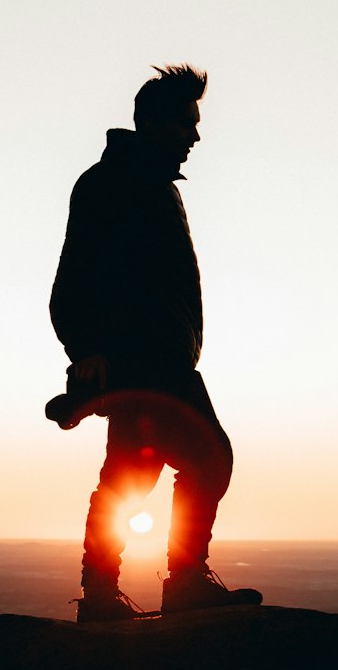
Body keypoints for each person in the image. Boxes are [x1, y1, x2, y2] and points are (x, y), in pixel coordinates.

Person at [48, 64, 262, 623]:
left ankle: (100, 597)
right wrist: (86, 349)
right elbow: (74, 277)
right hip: (143, 358)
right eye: (187, 124)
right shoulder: (110, 184)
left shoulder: (149, 184)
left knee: (129, 474)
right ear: (156, 124)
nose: (195, 136)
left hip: (157, 355)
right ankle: (181, 582)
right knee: (210, 459)